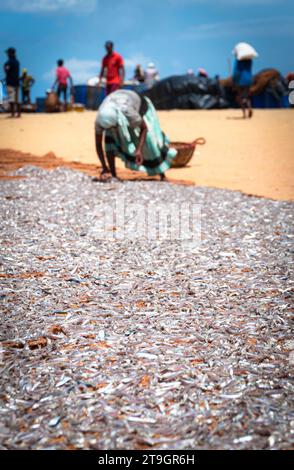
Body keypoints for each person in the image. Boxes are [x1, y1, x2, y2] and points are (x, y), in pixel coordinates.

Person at [94, 89, 177, 181]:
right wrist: (104, 167)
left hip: (139, 106)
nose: (113, 130)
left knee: (150, 141)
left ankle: (161, 173)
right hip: (118, 102)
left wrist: (139, 150)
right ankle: (113, 175)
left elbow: (144, 128)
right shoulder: (100, 119)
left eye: (114, 127)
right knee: (109, 139)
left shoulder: (128, 113)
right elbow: (98, 145)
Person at [3, 47, 21, 118]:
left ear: (10, 53)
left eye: (8, 53)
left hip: (10, 82)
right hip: (17, 82)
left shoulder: (8, 62)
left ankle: (13, 113)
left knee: (11, 98)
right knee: (17, 99)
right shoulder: (17, 62)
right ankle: (19, 113)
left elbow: (6, 71)